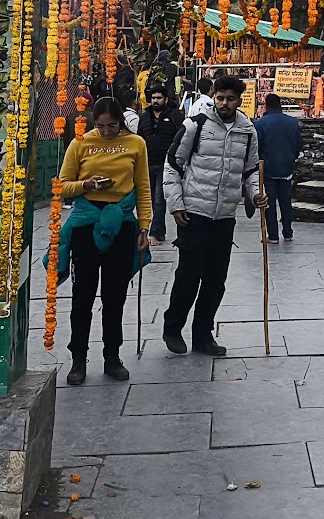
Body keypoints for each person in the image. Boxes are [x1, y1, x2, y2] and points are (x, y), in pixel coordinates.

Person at [162, 75, 264, 355]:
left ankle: (203, 335)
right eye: (220, 98)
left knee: (216, 279)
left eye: (230, 99)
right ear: (213, 96)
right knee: (189, 275)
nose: (224, 103)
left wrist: (256, 194)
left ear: (239, 101)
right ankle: (172, 328)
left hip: (225, 216)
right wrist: (176, 204)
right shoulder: (195, 125)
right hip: (194, 213)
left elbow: (251, 171)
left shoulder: (248, 131)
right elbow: (173, 165)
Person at [54, 98, 152, 384]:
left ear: (121, 121)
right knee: (82, 296)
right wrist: (87, 185)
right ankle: (78, 359)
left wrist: (145, 227)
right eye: (100, 126)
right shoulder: (80, 143)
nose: (106, 131)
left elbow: (143, 187)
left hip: (121, 223)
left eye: (112, 126)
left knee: (115, 297)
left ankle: (112, 356)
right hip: (86, 224)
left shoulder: (136, 144)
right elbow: (62, 186)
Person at [136, 84, 184, 242]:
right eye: (153, 98)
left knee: (159, 199)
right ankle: (158, 231)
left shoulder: (175, 115)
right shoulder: (145, 116)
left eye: (159, 98)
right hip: (147, 163)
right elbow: (139, 138)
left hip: (166, 164)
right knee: (148, 199)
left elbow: (181, 137)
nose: (155, 101)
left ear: (165, 99)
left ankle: (155, 233)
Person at [253, 93, 302, 242]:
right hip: (286, 167)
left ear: (266, 105)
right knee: (286, 202)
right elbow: (298, 145)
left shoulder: (260, 124)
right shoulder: (293, 123)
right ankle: (288, 232)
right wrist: (291, 158)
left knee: (269, 202)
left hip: (268, 169)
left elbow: (257, 148)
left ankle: (273, 235)